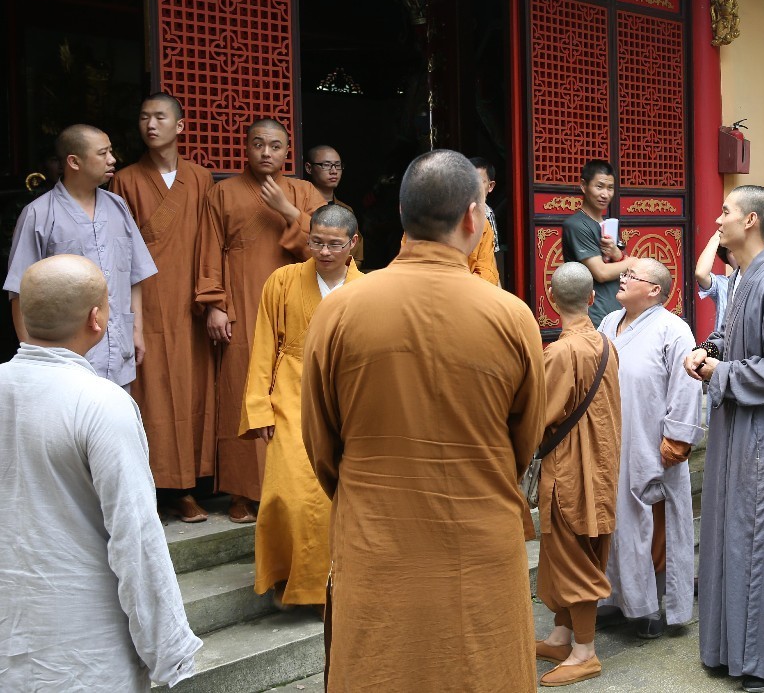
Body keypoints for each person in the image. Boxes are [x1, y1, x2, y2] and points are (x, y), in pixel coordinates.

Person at [302, 149, 546, 693]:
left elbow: (320, 445)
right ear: (471, 218)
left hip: (377, 542)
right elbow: (524, 443)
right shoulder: (511, 316)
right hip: (480, 543)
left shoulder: (338, 311)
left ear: (403, 212)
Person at [0, 255, 201, 690]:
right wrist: (170, 652)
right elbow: (136, 536)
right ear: (97, 319)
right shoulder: (100, 403)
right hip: (84, 643)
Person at [684, 185, 764, 693]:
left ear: (752, 220)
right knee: (726, 535)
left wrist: (721, 372)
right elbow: (731, 338)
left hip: (760, 435)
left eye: (727, 211)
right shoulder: (742, 279)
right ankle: (727, 649)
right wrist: (705, 352)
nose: (718, 218)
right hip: (736, 428)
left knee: (759, 541)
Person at [196, 118, 327, 524]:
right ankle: (241, 491)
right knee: (241, 388)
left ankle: (295, 481)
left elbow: (326, 245)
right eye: (258, 144)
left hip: (297, 302)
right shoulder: (222, 192)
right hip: (245, 299)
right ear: (246, 148)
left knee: (293, 392)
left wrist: (288, 211)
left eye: (274, 146)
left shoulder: (304, 192)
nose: (265, 152)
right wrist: (216, 303)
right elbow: (209, 249)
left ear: (287, 152)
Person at [241, 204, 362, 610]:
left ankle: (337, 584)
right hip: (291, 392)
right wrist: (259, 407)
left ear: (352, 244)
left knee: (340, 497)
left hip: (349, 397)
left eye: (333, 244)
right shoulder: (283, 280)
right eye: (315, 242)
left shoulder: (368, 288)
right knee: (289, 492)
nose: (323, 252)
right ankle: (291, 580)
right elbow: (262, 346)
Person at [110, 93, 216, 523]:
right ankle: (155, 485)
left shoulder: (201, 178)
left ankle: (189, 486)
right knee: (150, 391)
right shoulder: (126, 180)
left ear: (180, 125)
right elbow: (119, 249)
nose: (150, 125)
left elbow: (211, 241)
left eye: (159, 117)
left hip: (190, 301)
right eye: (143, 118)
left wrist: (212, 299)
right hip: (146, 302)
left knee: (192, 389)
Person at [598, 257, 702, 640]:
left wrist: (677, 438)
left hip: (649, 442)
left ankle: (652, 607)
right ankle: (613, 600)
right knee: (613, 524)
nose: (621, 279)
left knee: (651, 527)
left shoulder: (673, 330)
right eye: (623, 274)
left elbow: (687, 385)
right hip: (610, 440)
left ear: (654, 290)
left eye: (630, 276)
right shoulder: (609, 322)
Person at [5, 124, 156, 389]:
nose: (112, 160)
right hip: (64, 362)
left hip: (117, 353)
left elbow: (134, 275)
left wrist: (137, 330)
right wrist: (31, 356)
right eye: (103, 153)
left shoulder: (118, 207)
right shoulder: (38, 215)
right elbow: (19, 293)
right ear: (74, 162)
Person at [534, 262, 622, 687]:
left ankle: (585, 652)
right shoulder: (607, 344)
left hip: (569, 470)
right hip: (600, 466)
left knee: (572, 558)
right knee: (571, 552)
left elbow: (540, 418)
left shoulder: (559, 353)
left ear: (551, 301)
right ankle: (562, 634)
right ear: (592, 299)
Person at [562, 159, 636, 326]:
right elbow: (601, 273)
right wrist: (633, 261)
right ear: (583, 186)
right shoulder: (577, 225)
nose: (605, 194)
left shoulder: (609, 225)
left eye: (610, 188)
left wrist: (618, 254)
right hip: (593, 314)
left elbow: (621, 265)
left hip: (617, 311)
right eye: (599, 186)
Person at [304, 145, 364, 268]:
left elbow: (357, 256)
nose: (334, 171)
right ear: (309, 168)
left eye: (337, 165)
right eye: (326, 165)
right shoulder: (300, 205)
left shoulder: (346, 210)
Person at [694, 229, 738, 332]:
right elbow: (701, 274)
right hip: (725, 346)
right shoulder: (723, 284)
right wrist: (718, 234)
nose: (737, 254)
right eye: (731, 251)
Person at [466, 160, 500, 286]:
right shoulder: (453, 210)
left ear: (490, 186)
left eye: (478, 182)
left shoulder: (487, 214)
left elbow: (490, 260)